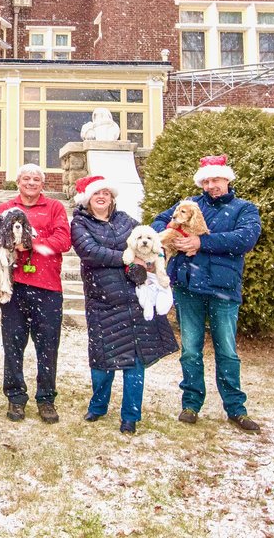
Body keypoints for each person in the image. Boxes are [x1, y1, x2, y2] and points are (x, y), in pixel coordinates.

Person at [151, 154, 263, 433]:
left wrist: (201, 242)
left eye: (216, 179)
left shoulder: (244, 209)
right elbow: (158, 223)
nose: (212, 185)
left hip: (224, 288)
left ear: (227, 179)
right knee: (190, 350)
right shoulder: (189, 205)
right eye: (207, 181)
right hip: (189, 287)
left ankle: (235, 408)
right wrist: (169, 235)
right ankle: (191, 403)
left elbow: (244, 239)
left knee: (227, 350)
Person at [70, 175, 178, 434]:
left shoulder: (126, 220)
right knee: (102, 360)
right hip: (102, 300)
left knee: (135, 361)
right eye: (97, 194)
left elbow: (147, 241)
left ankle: (130, 415)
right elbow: (91, 252)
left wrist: (152, 260)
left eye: (106, 193)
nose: (102, 197)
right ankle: (98, 406)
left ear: (112, 197)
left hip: (134, 297)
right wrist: (127, 259)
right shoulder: (80, 223)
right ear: (88, 198)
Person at [0, 164, 71, 424]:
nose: (31, 183)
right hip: (14, 287)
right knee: (13, 345)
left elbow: (63, 241)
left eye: (36, 179)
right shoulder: (5, 209)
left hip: (48, 288)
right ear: (17, 182)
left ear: (42, 184)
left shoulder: (54, 208)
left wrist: (32, 244)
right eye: (26, 178)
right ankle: (16, 397)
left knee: (48, 345)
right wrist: (7, 244)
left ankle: (46, 399)